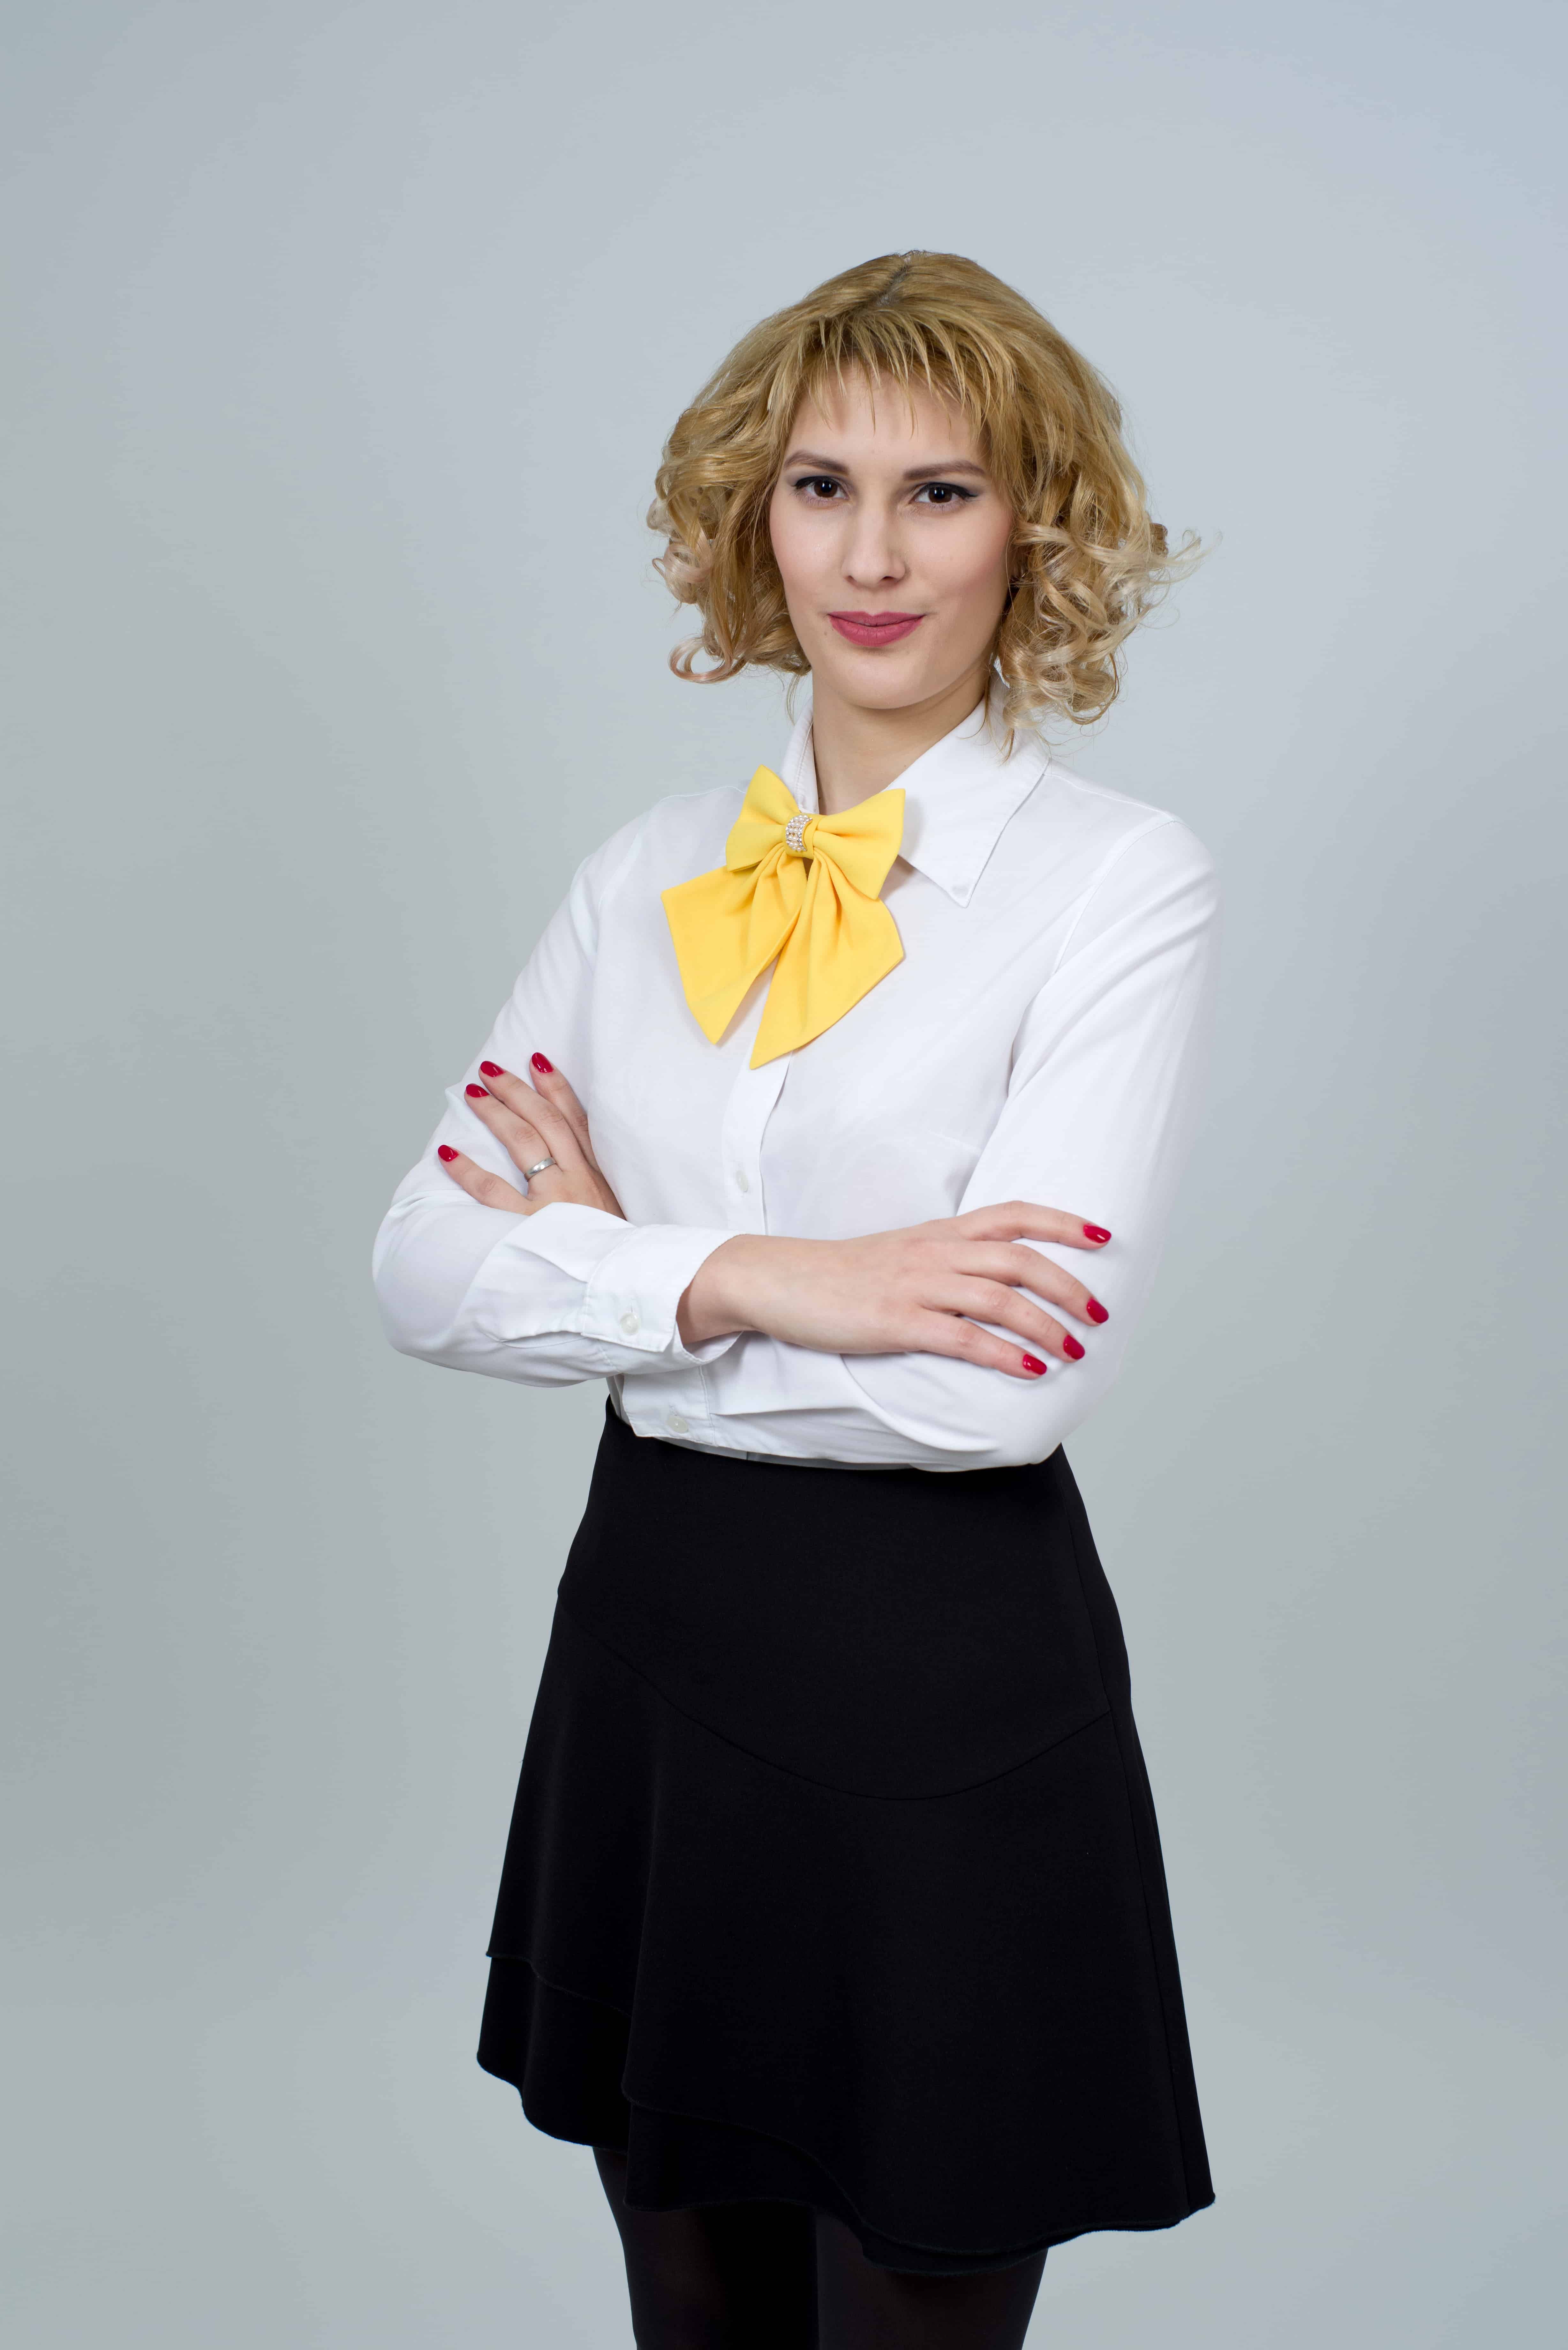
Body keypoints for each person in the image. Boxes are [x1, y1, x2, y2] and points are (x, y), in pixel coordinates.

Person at [373, 250, 1220, 2350]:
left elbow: (997, 1399)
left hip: (943, 1686)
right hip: (654, 1657)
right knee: (692, 2312)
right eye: (821, 485)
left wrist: (616, 1285)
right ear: (754, 514)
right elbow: (421, 1268)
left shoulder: (1116, 881)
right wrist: (790, 1283)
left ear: (1035, 525)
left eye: (942, 492)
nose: (872, 554)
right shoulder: (642, 872)